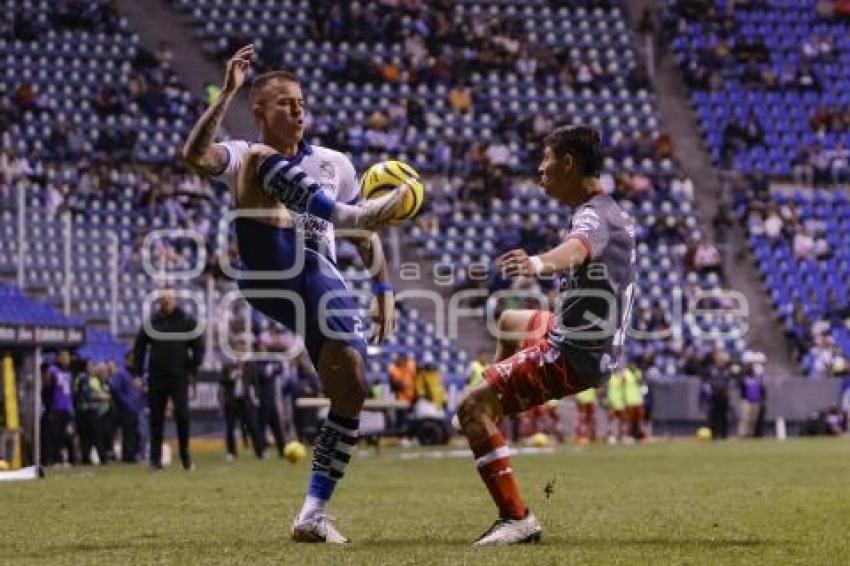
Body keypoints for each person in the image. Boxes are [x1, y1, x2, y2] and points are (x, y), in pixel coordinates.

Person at [180, 44, 407, 543]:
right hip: (268, 264)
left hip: (318, 277)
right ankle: (351, 210)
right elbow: (194, 156)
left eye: (301, 102)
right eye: (286, 103)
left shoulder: (336, 164)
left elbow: (362, 242)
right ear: (259, 110)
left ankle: (312, 513)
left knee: (350, 388)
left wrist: (385, 287)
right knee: (259, 159)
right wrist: (227, 94)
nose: (298, 110)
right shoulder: (245, 150)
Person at [456, 125, 635, 545]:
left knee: (468, 407)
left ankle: (517, 518)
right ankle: (496, 403)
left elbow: (576, 250)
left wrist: (536, 264)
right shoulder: (609, 210)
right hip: (581, 335)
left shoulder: (593, 216)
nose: (540, 168)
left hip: (574, 352)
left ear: (568, 163)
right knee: (509, 320)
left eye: (546, 158)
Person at [132, 290, 205, 471]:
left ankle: (185, 456)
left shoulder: (186, 321)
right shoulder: (153, 322)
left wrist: (192, 369)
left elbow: (199, 347)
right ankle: (155, 460)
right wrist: (138, 373)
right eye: (163, 299)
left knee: (182, 416)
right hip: (156, 377)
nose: (166, 302)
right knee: (156, 419)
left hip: (179, 377)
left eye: (169, 299)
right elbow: (139, 347)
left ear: (175, 300)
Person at [219, 349, 263, 460]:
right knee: (230, 428)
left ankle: (259, 452)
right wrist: (233, 376)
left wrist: (256, 397)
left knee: (253, 426)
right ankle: (231, 452)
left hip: (246, 401)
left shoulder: (249, 366)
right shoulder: (228, 366)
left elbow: (255, 382)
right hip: (232, 402)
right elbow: (222, 380)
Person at [109, 353, 145, 463]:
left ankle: (133, 454)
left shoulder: (135, 374)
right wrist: (124, 401)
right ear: (127, 360)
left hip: (135, 407)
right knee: (128, 432)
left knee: (134, 432)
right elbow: (114, 388)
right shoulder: (121, 373)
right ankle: (128, 456)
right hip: (124, 408)